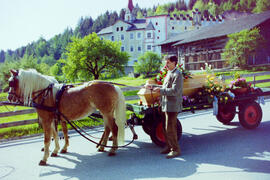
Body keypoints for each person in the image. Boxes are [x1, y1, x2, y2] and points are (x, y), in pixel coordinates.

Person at [151, 55, 183, 159]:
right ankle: (169, 146)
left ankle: (175, 150)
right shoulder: (169, 73)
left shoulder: (178, 74)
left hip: (172, 106)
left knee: (171, 128)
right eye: (166, 62)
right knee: (165, 128)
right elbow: (165, 87)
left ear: (174, 63)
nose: (166, 65)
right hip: (166, 105)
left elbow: (174, 91)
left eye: (168, 62)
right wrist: (155, 87)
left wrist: (160, 91)